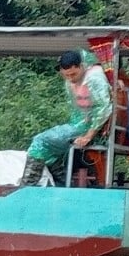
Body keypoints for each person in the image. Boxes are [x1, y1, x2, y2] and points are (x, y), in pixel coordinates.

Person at [21, 49, 112, 186]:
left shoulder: (94, 77)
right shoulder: (73, 81)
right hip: (79, 124)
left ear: (81, 66)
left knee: (40, 141)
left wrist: (88, 135)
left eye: (73, 74)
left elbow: (104, 108)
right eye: (67, 75)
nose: (71, 78)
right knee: (47, 151)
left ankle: (26, 187)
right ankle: (62, 184)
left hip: (91, 127)